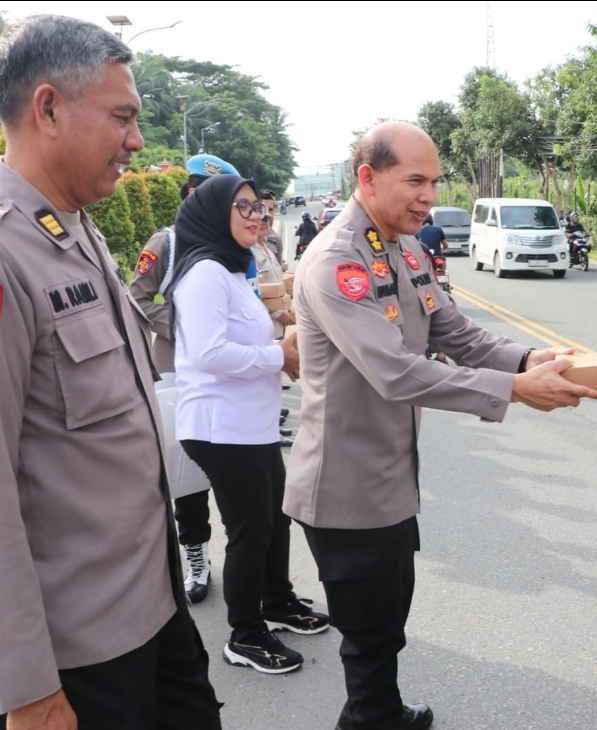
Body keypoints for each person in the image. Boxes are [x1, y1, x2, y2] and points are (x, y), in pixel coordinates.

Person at [286, 121, 597, 730]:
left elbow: (454, 332)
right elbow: (395, 372)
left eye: (433, 181)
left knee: (387, 624)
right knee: (368, 636)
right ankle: (369, 719)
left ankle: (381, 712)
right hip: (345, 489)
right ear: (368, 177)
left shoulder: (403, 247)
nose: (429, 196)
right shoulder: (335, 261)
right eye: (415, 181)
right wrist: (514, 389)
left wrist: (529, 358)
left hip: (390, 479)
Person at [0, 14, 222, 727]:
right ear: (47, 109)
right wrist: (27, 689)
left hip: (153, 605)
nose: (137, 141)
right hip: (77, 655)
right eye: (122, 117)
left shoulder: (75, 228)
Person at [169, 174, 330, 676]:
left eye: (258, 207)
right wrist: (278, 355)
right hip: (220, 426)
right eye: (242, 206)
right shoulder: (205, 274)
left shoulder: (230, 268)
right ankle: (245, 634)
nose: (255, 215)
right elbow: (209, 353)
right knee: (250, 531)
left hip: (251, 423)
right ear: (213, 214)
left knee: (275, 518)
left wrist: (280, 344)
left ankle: (276, 602)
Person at [129, 152, 240, 605]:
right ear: (192, 194)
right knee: (188, 478)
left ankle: (249, 565)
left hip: (232, 375)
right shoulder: (168, 243)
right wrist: (181, 325)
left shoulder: (235, 243)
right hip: (181, 373)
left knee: (239, 473)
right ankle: (195, 556)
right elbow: (136, 298)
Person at [254, 208, 298, 446]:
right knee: (263, 381)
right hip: (267, 320)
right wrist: (280, 313)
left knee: (272, 379)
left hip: (278, 322)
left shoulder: (267, 249)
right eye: (260, 220)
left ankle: (273, 426)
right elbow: (257, 293)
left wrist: (287, 309)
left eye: (267, 220)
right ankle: (269, 430)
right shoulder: (249, 252)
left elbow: (278, 286)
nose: (263, 223)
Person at [260, 188, 285, 265]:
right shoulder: (246, 238)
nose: (267, 214)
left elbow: (279, 267)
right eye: (263, 209)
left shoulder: (276, 239)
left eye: (270, 210)